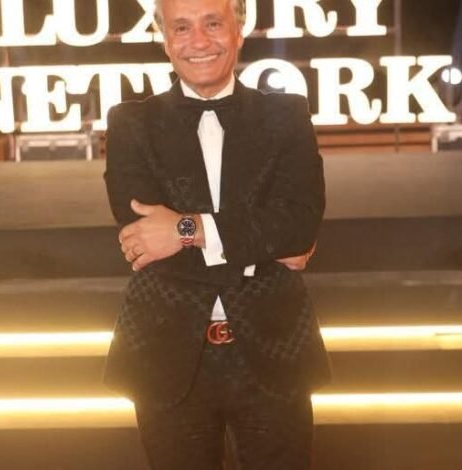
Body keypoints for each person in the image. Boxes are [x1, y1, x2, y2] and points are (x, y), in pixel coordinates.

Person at [103, 0, 330, 467]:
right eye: (182, 27)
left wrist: (186, 229)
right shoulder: (130, 123)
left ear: (238, 30)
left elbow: (298, 224)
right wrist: (264, 243)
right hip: (167, 351)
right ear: (165, 39)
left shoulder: (286, 114)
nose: (199, 41)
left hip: (274, 347)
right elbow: (145, 237)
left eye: (212, 23)